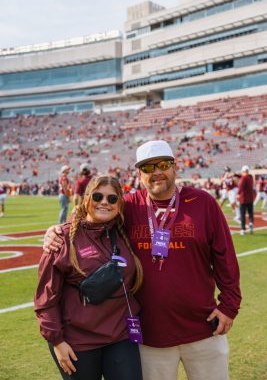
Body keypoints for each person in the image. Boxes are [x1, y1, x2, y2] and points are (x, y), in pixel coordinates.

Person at [44, 140, 241, 380]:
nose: (157, 171)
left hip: (204, 329)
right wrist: (57, 231)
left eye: (163, 165)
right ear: (139, 174)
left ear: (175, 167)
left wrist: (229, 306)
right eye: (148, 168)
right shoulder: (128, 205)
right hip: (149, 335)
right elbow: (92, 215)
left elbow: (226, 258)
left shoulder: (203, 202)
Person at [35, 175, 143, 380]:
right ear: (86, 199)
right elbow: (46, 298)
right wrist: (57, 342)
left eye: (112, 199)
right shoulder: (62, 239)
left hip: (121, 336)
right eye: (98, 196)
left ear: (119, 203)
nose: (104, 202)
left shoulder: (124, 233)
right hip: (78, 342)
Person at [237, 165, 255, 235]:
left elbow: (241, 186)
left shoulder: (243, 178)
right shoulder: (250, 177)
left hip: (243, 199)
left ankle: (243, 229)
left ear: (243, 171)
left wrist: (237, 194)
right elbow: (243, 176)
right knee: (251, 213)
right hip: (250, 199)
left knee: (242, 214)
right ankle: (251, 223)